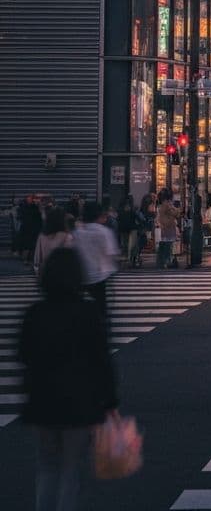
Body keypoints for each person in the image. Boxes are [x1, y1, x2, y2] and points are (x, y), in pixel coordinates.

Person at [19, 248, 119, 511]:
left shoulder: (35, 313)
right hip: (79, 402)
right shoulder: (88, 313)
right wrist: (109, 401)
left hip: (43, 402)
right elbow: (101, 361)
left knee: (46, 467)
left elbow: (24, 354)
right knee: (70, 470)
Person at [74, 201, 120, 323]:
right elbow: (111, 252)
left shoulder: (77, 232)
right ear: (98, 215)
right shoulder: (104, 231)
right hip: (100, 275)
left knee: (77, 304)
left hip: (81, 275)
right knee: (101, 306)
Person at [33, 207, 73, 277]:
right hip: (62, 272)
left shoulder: (42, 236)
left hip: (46, 271)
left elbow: (37, 258)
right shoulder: (66, 236)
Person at [155, 191, 180, 269]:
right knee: (169, 245)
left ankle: (163, 262)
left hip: (164, 227)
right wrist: (176, 209)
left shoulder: (160, 206)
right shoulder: (167, 205)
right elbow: (176, 213)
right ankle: (168, 261)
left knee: (164, 245)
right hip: (169, 227)